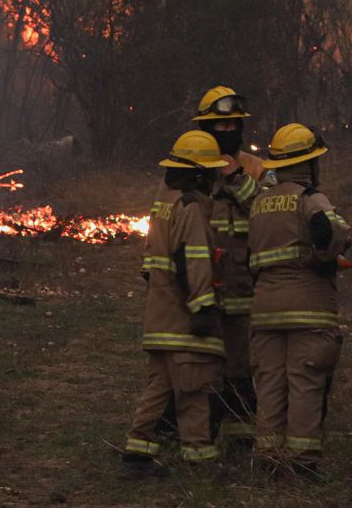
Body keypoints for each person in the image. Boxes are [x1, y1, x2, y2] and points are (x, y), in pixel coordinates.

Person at [121, 130, 228, 480]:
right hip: (184, 320)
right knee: (194, 388)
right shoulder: (191, 208)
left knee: (159, 387)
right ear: (198, 173)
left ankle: (137, 453)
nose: (214, 178)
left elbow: (151, 267)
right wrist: (202, 308)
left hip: (159, 317)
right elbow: (195, 261)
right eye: (210, 171)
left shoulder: (163, 203)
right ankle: (200, 463)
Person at [247, 123, 352, 477]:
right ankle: (302, 463)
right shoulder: (310, 198)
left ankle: (269, 458)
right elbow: (333, 230)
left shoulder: (260, 202)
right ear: (309, 164)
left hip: (264, 309)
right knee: (305, 380)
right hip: (308, 305)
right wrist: (325, 255)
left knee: (271, 382)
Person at [192, 86, 267, 444]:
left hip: (242, 285)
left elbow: (271, 214)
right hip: (199, 283)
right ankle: (195, 436)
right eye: (219, 127)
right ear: (204, 129)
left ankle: (238, 441)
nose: (228, 132)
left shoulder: (257, 168)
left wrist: (237, 177)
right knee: (199, 365)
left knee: (240, 366)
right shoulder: (189, 166)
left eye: (234, 125)